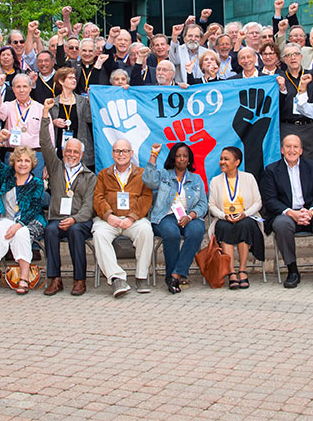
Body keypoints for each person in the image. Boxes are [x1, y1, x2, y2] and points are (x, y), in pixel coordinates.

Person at [260, 135, 313, 288]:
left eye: (295, 147)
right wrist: (290, 213)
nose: (291, 150)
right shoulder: (272, 170)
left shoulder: (312, 167)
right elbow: (270, 200)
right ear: (282, 150)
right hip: (287, 214)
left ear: (301, 151)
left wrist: (311, 212)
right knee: (281, 224)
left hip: (309, 212)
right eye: (288, 146)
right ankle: (292, 270)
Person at [39, 109, 96, 296]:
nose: (71, 154)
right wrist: (45, 117)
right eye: (68, 150)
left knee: (75, 231)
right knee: (50, 230)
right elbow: (45, 144)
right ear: (63, 151)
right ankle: (55, 279)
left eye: (75, 152)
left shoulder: (89, 176)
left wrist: (75, 219)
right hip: (57, 216)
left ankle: (79, 280)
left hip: (79, 220)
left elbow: (89, 206)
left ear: (81, 154)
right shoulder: (56, 167)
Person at [92, 139, 154, 297]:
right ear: (112, 154)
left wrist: (132, 218)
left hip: (134, 219)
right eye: (117, 151)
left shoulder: (141, 174)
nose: (121, 154)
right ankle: (116, 278)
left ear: (131, 153)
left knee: (146, 230)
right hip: (110, 220)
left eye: (125, 151)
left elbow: (146, 198)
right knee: (99, 234)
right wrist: (109, 216)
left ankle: (141, 276)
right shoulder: (103, 174)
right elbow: (98, 198)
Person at [143, 142, 208, 294]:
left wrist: (190, 216)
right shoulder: (163, 175)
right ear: (173, 158)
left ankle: (175, 275)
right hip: (166, 216)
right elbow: (148, 180)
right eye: (178, 156)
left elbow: (203, 205)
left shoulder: (196, 179)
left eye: (185, 156)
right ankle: (173, 277)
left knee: (197, 231)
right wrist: (153, 155)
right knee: (171, 233)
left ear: (189, 159)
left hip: (189, 216)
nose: (181, 159)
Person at [0, 141, 46, 294]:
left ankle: (24, 277)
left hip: (30, 220)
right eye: (19, 160)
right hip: (7, 218)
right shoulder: (7, 175)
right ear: (14, 162)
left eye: (26, 161)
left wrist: (19, 225)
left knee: (21, 235)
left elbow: (34, 208)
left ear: (32, 163)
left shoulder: (37, 183)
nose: (23, 164)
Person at [208, 146, 263, 289]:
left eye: (226, 159)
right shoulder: (215, 181)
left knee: (244, 225)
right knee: (225, 227)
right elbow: (212, 205)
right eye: (221, 159)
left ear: (237, 162)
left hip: (245, 216)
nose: (222, 162)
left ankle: (242, 270)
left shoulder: (248, 178)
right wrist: (223, 216)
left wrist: (246, 213)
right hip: (224, 218)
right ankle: (231, 272)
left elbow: (258, 202)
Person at [277, 43, 313, 160]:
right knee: (288, 161)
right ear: (284, 59)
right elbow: (276, 106)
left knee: (309, 164)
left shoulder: (312, 75)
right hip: (288, 126)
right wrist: (282, 89)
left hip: (309, 127)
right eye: (289, 55)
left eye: (296, 54)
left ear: (301, 56)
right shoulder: (279, 78)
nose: (293, 58)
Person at [47, 68, 94, 166]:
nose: (74, 80)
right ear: (61, 81)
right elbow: (45, 125)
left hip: (79, 149)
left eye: (75, 78)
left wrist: (90, 102)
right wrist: (53, 122)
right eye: (70, 78)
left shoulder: (82, 101)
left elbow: (90, 119)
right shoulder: (52, 103)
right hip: (59, 149)